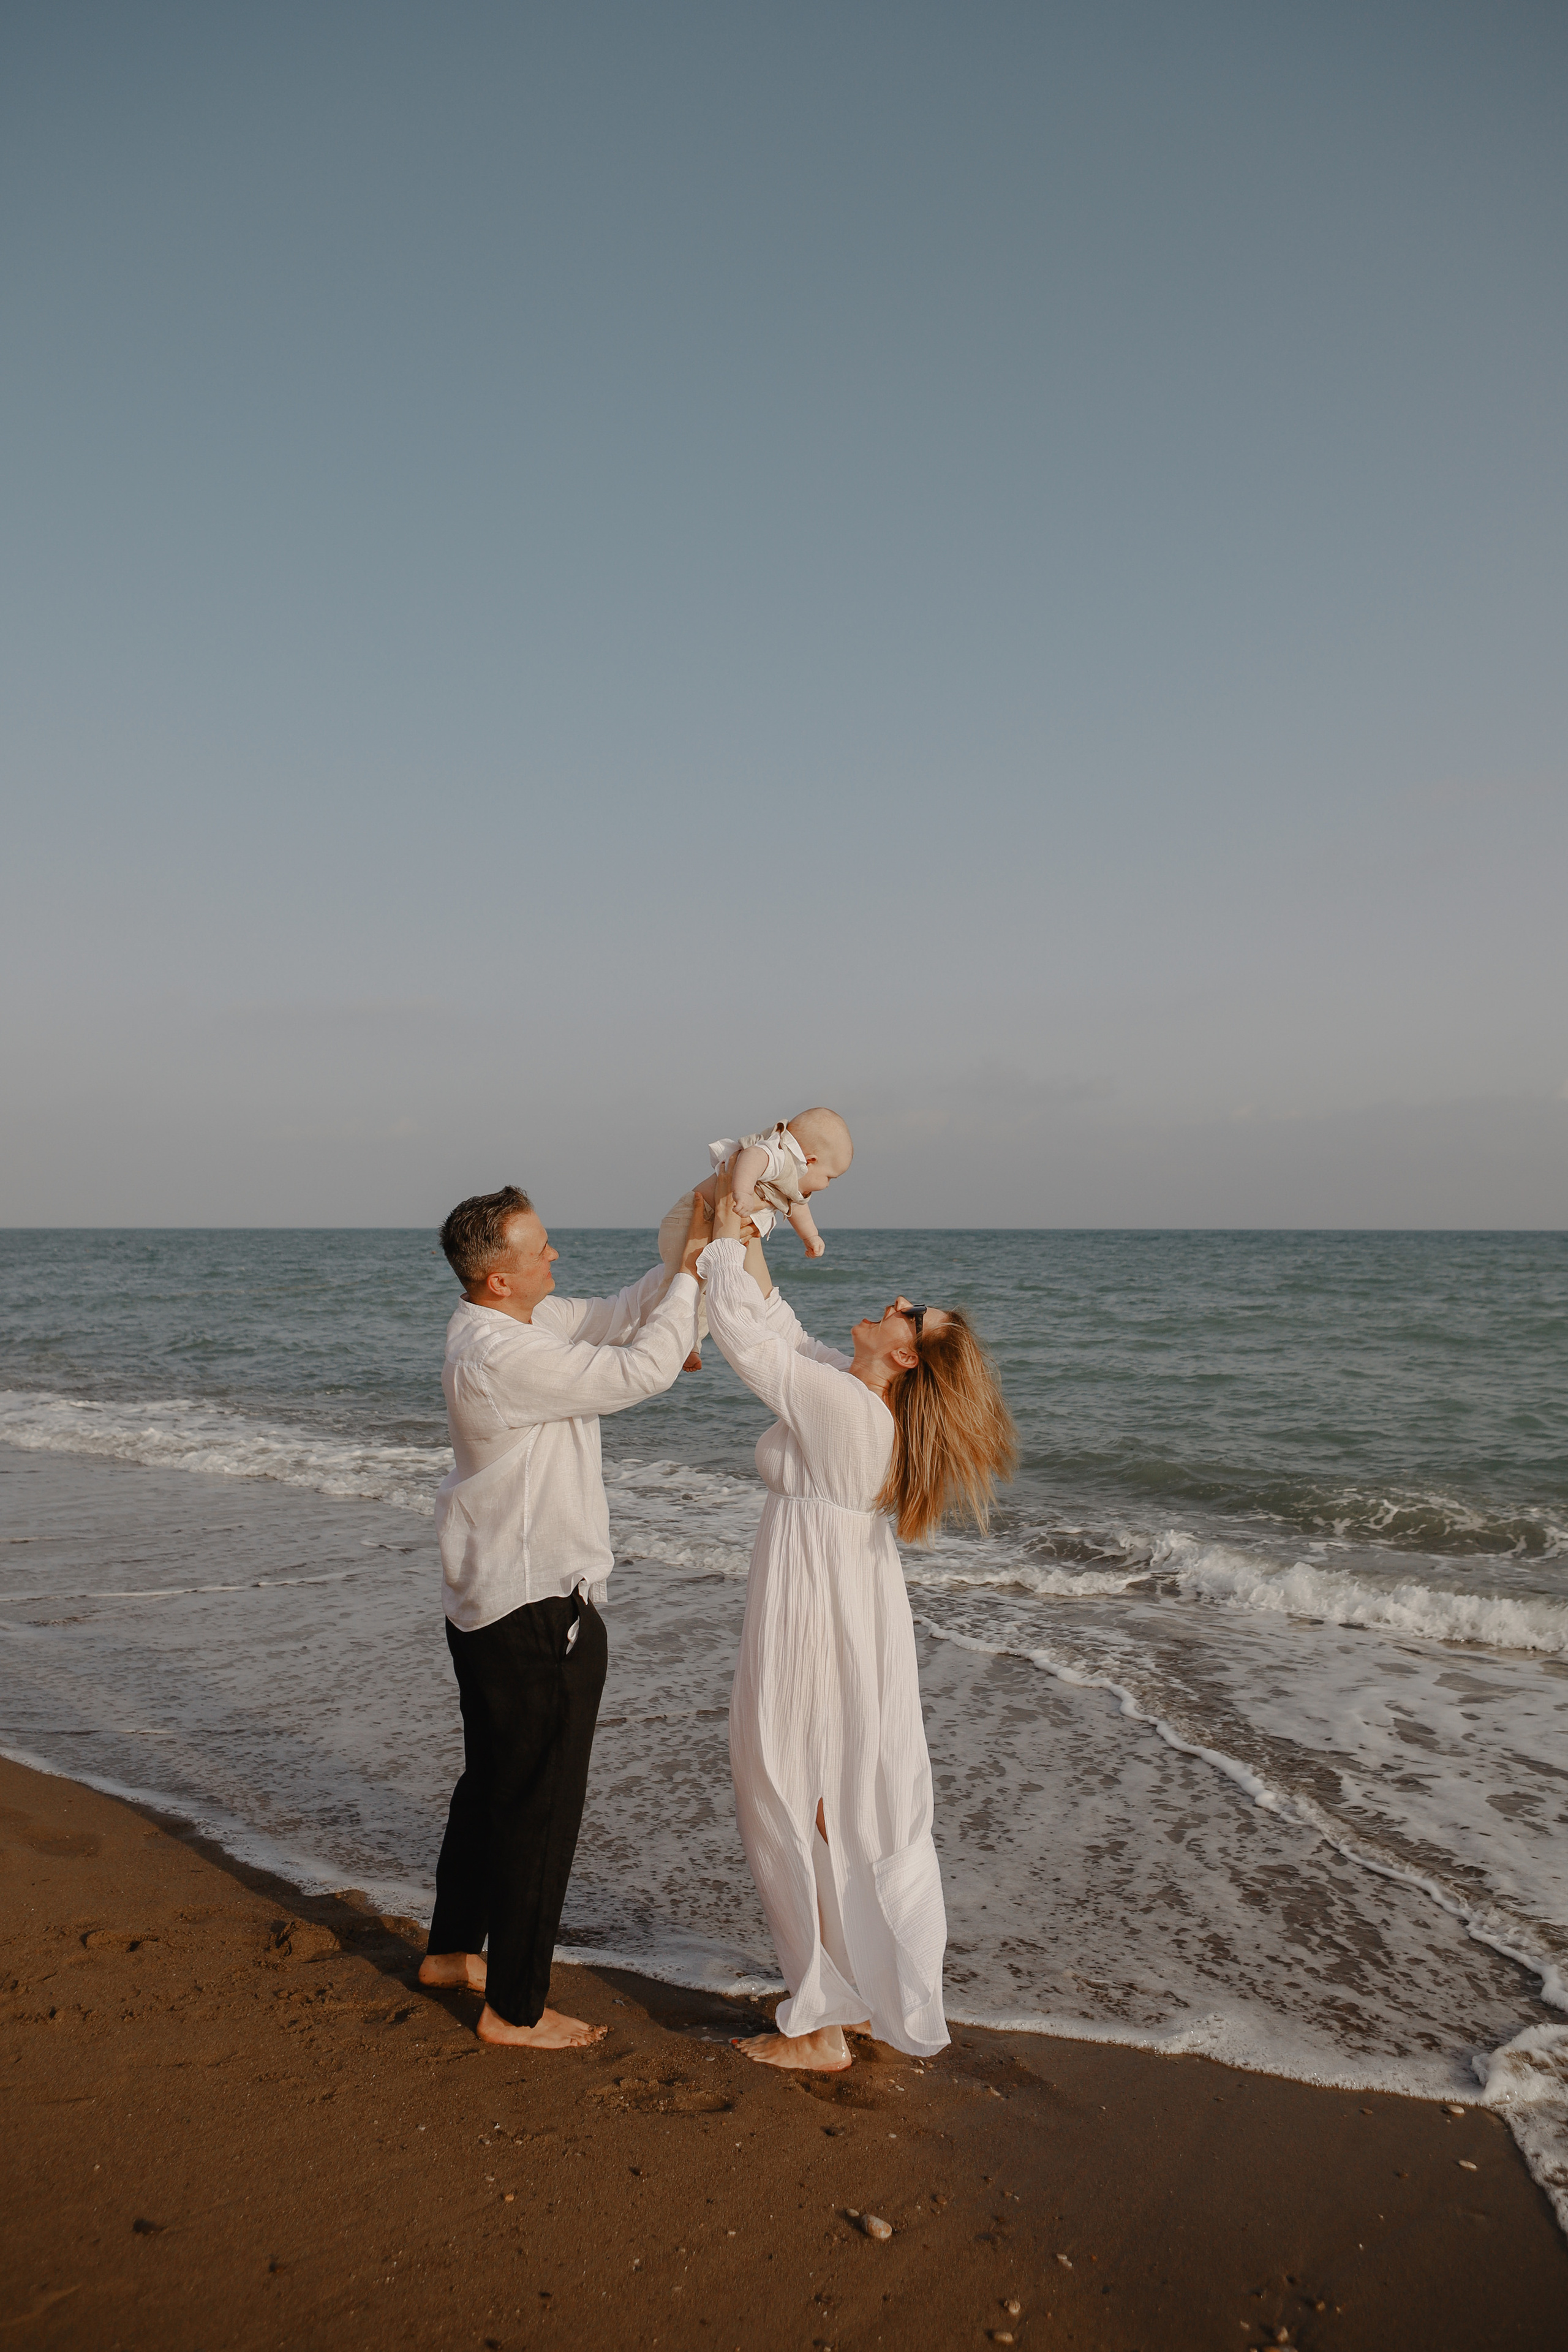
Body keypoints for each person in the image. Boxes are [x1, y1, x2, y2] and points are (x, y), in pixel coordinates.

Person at [694, 1172, 1017, 2070]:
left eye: (911, 1314)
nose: (897, 1301)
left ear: (906, 1357)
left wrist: (720, 1241)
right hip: (839, 1597)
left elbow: (747, 1345)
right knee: (830, 1803)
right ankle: (856, 1995)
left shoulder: (846, 1407)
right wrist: (749, 1221)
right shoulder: (851, 1391)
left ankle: (822, 2025)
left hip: (815, 1607)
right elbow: (776, 1324)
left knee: (782, 1788)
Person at [420, 1184, 704, 2049]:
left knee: (491, 1786)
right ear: (498, 1279)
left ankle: (451, 1951)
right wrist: (695, 1284)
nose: (556, 1255)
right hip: (536, 1605)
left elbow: (620, 1314)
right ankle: (514, 2009)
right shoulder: (503, 1355)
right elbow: (641, 1370)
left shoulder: (510, 1323)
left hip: (491, 1596)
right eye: (539, 1248)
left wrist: (691, 1251)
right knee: (539, 1808)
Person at [655, 1107, 853, 1370]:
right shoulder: (779, 1155)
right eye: (829, 1178)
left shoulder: (791, 1177)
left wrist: (811, 1236)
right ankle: (664, 1337)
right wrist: (743, 1192)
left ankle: (689, 1344)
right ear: (811, 1160)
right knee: (681, 1283)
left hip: (716, 1227)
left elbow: (796, 1205)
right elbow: (752, 1156)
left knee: (704, 1292)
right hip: (692, 1217)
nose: (827, 1186)